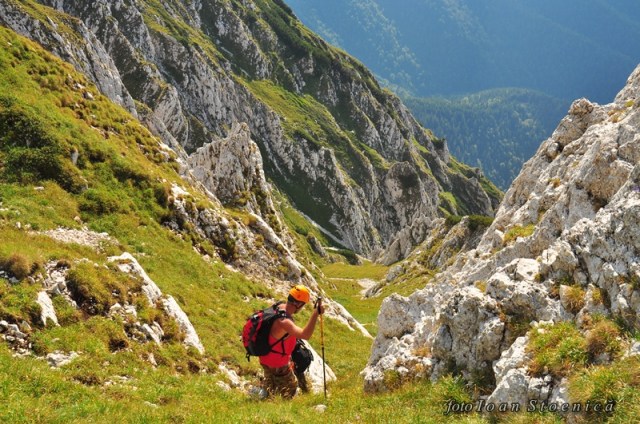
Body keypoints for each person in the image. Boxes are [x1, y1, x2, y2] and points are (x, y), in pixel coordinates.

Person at [260, 285, 324, 399]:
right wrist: (315, 314)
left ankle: (269, 393)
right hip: (278, 362)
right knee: (291, 390)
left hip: (265, 356)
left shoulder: (278, 307)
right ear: (298, 304)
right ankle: (279, 404)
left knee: (271, 384)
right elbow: (306, 335)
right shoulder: (284, 321)